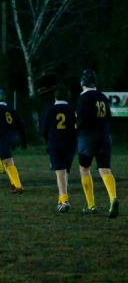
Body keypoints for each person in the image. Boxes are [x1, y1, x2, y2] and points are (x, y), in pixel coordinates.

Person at [76, 69, 118, 218]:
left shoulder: (83, 97)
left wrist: (76, 126)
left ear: (83, 82)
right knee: (105, 169)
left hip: (88, 136)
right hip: (105, 136)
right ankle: (113, 198)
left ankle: (91, 205)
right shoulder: (102, 96)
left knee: (84, 169)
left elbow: (80, 118)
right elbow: (109, 117)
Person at [0, 89, 27, 193]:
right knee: (7, 160)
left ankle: (18, 186)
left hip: (3, 138)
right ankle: (14, 183)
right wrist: (24, 140)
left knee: (7, 162)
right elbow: (21, 124)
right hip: (13, 137)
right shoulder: (10, 109)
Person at [42, 84, 77, 213]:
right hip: (70, 144)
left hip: (55, 144)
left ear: (55, 96)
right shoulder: (72, 109)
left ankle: (64, 199)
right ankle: (61, 200)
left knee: (60, 172)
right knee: (65, 172)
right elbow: (76, 127)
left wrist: (48, 141)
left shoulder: (50, 110)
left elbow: (44, 130)